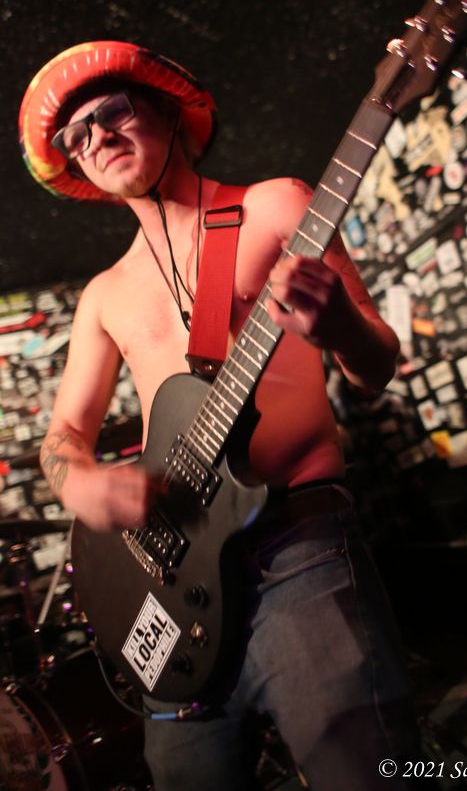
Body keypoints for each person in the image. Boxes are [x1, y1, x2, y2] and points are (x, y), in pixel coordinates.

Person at [19, 41, 429, 789]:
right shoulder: (104, 296)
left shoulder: (278, 205)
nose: (97, 137)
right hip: (172, 590)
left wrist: (340, 326)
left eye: (112, 112)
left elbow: (376, 367)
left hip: (296, 554)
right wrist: (80, 483)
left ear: (169, 112)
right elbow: (64, 436)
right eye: (76, 137)